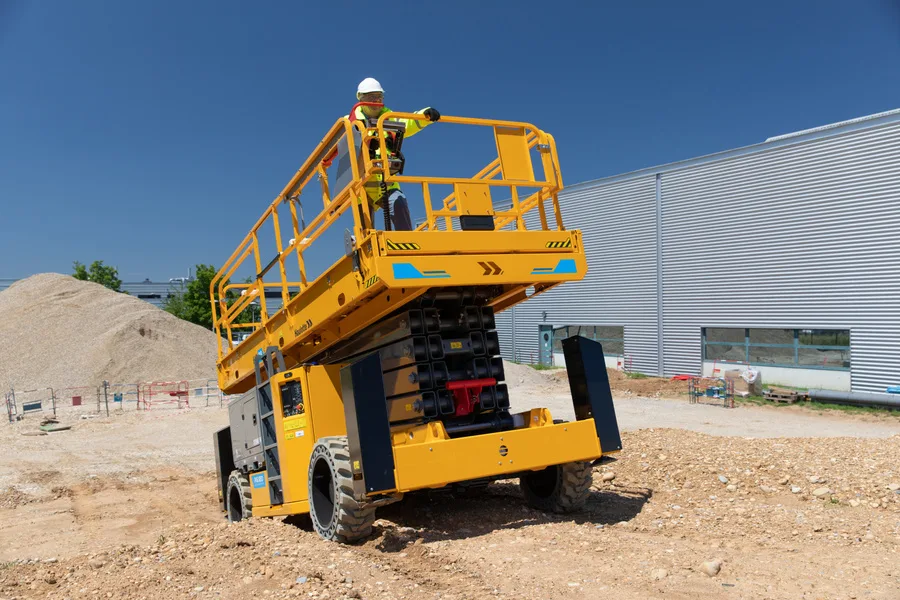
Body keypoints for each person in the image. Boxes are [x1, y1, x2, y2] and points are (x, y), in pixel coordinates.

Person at [353, 77, 440, 231]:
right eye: (371, 97)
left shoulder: (389, 118)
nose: (376, 100)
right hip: (362, 184)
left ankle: (408, 249)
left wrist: (424, 115)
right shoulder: (349, 123)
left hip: (386, 179)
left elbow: (407, 123)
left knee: (399, 204)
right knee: (365, 231)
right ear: (360, 98)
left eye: (379, 96)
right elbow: (335, 147)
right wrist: (326, 161)